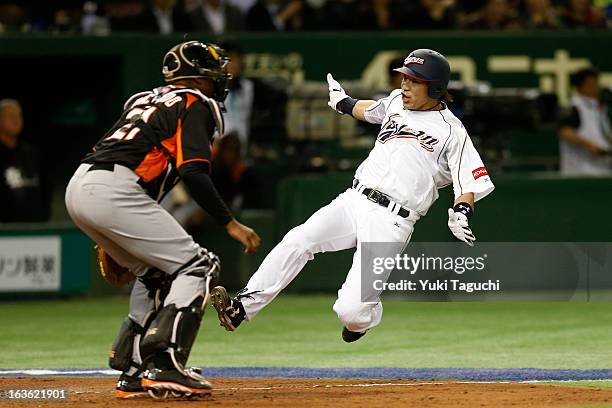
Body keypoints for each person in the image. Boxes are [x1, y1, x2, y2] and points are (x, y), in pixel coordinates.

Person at [210, 49, 494, 343]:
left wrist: (463, 211)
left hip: (392, 220)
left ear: (435, 87)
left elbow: (468, 179)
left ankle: (364, 316)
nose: (405, 85)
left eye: (414, 80)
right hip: (354, 199)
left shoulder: (452, 131)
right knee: (299, 239)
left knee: (351, 312)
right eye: (404, 77)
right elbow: (371, 110)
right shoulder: (396, 101)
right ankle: (240, 308)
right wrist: (343, 103)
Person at [65, 41, 261, 398]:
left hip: (82, 185)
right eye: (215, 71)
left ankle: (134, 369)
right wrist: (229, 222)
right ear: (198, 77)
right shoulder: (194, 102)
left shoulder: (144, 99)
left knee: (155, 273)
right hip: (117, 190)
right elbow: (194, 172)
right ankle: (165, 363)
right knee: (198, 267)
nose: (221, 77)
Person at [0, 99, 51, 223]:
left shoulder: (32, 153)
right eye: (11, 116)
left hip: (34, 227)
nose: (16, 121)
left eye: (19, 116)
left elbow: (46, 188)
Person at [558, 67, 612, 175]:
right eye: (592, 83)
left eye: (597, 83)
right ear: (581, 86)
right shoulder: (573, 107)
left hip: (602, 169)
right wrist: (588, 145)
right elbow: (565, 132)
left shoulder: (598, 108)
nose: (596, 87)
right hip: (580, 172)